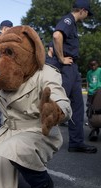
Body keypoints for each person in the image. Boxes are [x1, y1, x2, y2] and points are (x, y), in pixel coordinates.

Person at [50, 0, 97, 153]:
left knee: (77, 105)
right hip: (65, 67)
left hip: (73, 68)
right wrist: (62, 58)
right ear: (82, 10)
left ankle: (76, 142)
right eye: (87, 13)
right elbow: (57, 36)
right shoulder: (68, 20)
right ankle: (35, 138)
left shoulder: (73, 24)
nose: (87, 16)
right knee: (56, 103)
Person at [86, 59, 101, 141]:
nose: (93, 66)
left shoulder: (100, 70)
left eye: (94, 64)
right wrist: (88, 90)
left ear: (97, 64)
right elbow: (88, 81)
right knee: (90, 111)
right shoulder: (89, 72)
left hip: (99, 91)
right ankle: (94, 129)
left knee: (99, 110)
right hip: (91, 93)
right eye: (91, 65)